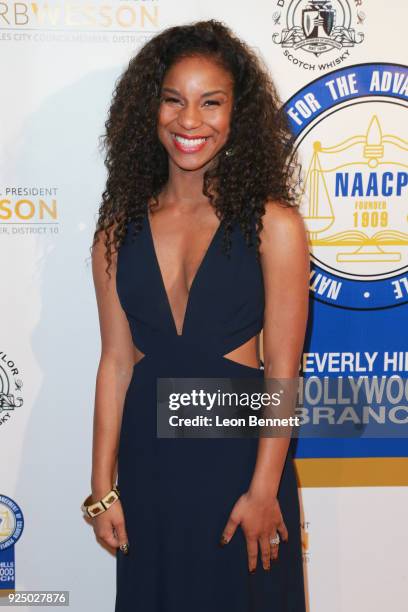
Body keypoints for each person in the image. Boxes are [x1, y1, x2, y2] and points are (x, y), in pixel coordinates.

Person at [87, 19, 309, 612]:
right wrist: (102, 490)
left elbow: (283, 373)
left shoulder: (275, 228)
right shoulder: (115, 233)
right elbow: (115, 364)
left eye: (211, 103)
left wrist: (265, 489)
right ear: (149, 110)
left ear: (237, 115)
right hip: (149, 465)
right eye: (173, 101)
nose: (190, 121)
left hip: (238, 462)